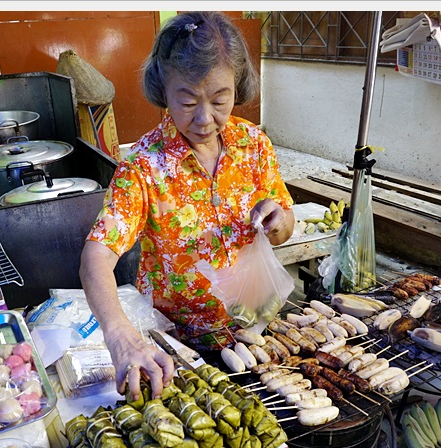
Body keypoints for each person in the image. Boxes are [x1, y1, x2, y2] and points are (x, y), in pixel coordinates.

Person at [80, 11, 295, 400]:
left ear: (237, 87)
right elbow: (96, 256)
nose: (204, 118)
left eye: (219, 99)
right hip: (178, 348)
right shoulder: (144, 165)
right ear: (164, 90)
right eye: (187, 99)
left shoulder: (253, 145)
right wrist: (120, 335)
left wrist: (279, 222)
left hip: (256, 333)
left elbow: (284, 224)